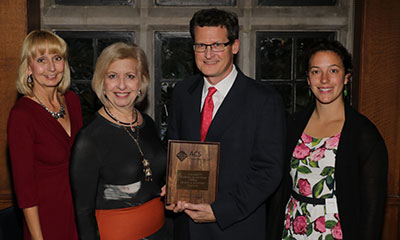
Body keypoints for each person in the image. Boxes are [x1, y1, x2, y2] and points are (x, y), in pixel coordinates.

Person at [166, 8, 286, 240]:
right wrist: (171, 188)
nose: (208, 54)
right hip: (186, 229)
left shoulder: (264, 100)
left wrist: (220, 212)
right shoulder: (182, 92)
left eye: (217, 45)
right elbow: (173, 147)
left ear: (235, 46)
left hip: (235, 228)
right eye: (201, 45)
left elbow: (268, 171)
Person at [267, 39, 388, 240]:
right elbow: (279, 190)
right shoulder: (293, 124)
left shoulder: (364, 135)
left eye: (333, 71)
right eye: (316, 71)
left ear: (346, 77)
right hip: (291, 230)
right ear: (308, 79)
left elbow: (373, 211)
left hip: (337, 233)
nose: (324, 80)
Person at [70, 42, 167, 240]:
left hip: (160, 232)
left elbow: (153, 177)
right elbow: (83, 212)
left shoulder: (147, 123)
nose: (121, 85)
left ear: (141, 82)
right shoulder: (89, 138)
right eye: (112, 76)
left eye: (130, 76)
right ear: (102, 83)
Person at [7, 30, 82, 240]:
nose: (51, 68)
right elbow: (25, 189)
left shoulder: (72, 101)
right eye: (41, 60)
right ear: (29, 67)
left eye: (57, 58)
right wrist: (37, 237)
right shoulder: (21, 115)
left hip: (79, 214)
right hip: (45, 220)